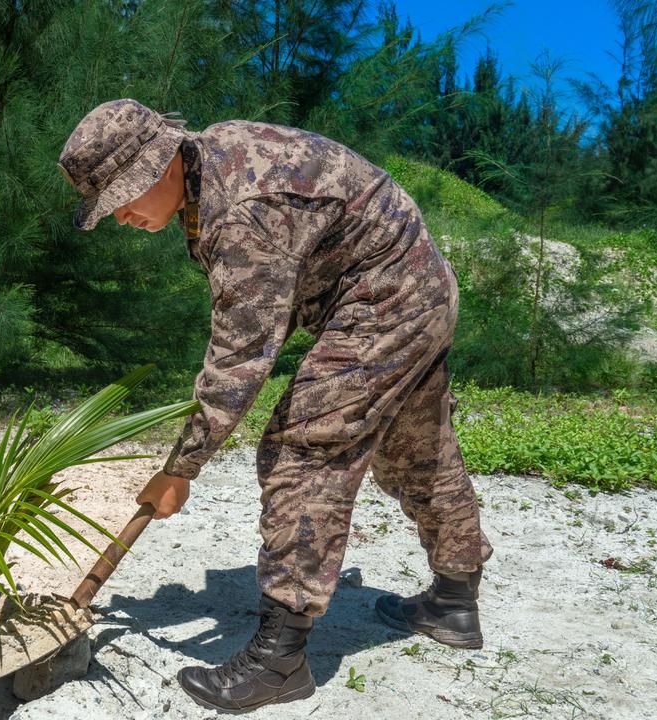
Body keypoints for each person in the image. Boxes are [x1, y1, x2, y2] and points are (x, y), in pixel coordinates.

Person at [58, 99, 493, 714]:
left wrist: (180, 467)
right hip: (416, 284)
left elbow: (241, 359)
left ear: (161, 165)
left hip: (386, 296)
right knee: (416, 445)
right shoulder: (213, 161)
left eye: (123, 197)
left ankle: (279, 657)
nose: (120, 216)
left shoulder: (242, 214)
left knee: (302, 450)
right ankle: (454, 600)